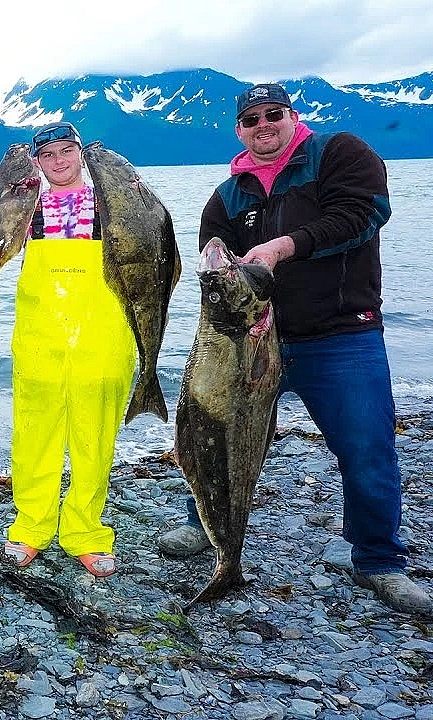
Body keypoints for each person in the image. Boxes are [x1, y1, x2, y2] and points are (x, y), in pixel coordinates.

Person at [157, 83, 431, 616]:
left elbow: (363, 213)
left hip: (340, 336)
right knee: (211, 434)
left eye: (273, 114)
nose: (263, 125)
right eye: (251, 119)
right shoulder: (229, 193)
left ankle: (378, 560)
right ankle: (207, 528)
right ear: (239, 130)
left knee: (366, 449)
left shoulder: (338, 153)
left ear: (291, 116)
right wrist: (216, 255)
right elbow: (213, 245)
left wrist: (287, 246)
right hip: (255, 341)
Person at [0, 122, 134, 578]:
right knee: (34, 435)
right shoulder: (22, 203)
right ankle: (31, 526)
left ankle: (85, 532)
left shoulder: (113, 202)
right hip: (40, 335)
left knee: (94, 438)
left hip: (103, 334)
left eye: (66, 150)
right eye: (49, 154)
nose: (59, 161)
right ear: (36, 160)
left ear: (80, 152)